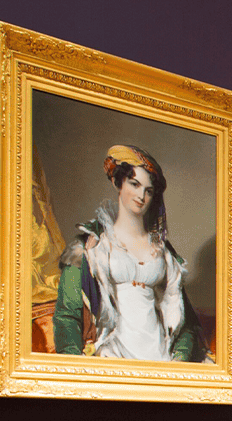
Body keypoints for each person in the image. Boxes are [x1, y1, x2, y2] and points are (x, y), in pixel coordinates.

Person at [53, 145, 208, 361]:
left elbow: (185, 322)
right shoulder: (90, 246)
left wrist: (178, 361)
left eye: (149, 190)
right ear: (118, 183)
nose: (141, 196)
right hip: (112, 353)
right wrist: (74, 365)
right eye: (134, 184)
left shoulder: (164, 252)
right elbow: (67, 314)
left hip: (161, 355)